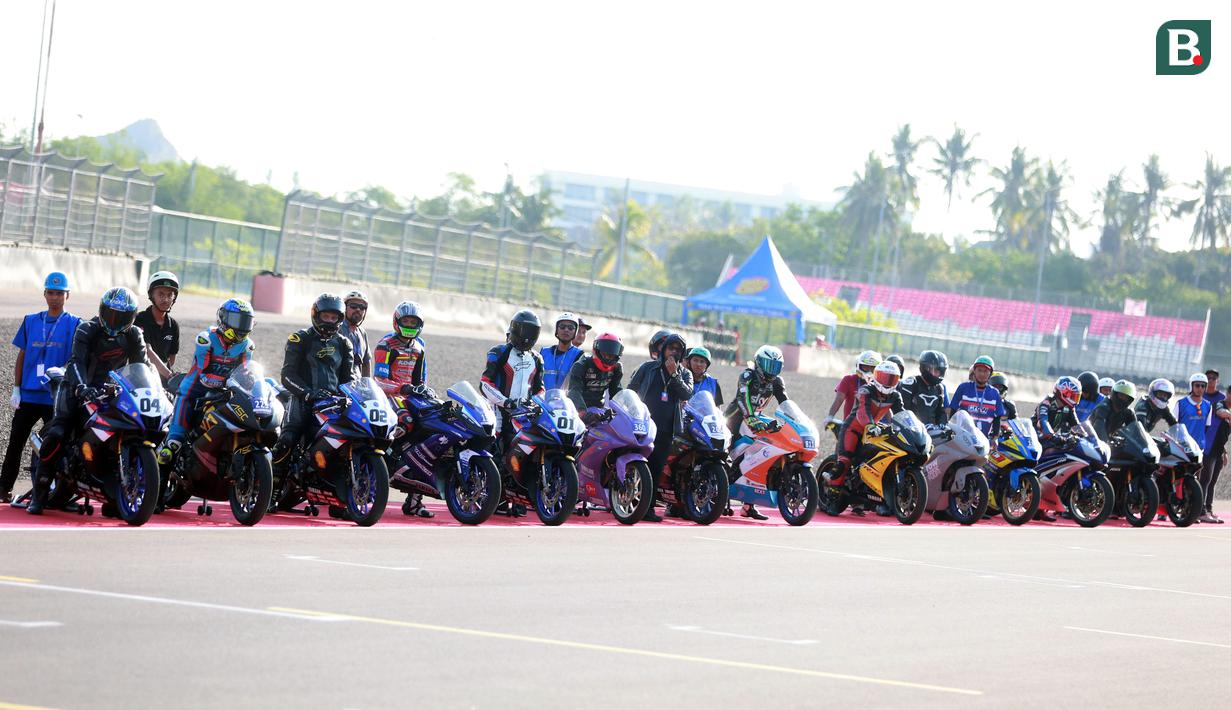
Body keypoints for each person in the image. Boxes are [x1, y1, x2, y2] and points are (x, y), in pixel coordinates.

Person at [31, 287, 150, 515]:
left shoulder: (134, 334)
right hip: (75, 385)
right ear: (102, 310)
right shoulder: (87, 329)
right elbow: (77, 361)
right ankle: (40, 494)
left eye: (122, 316)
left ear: (132, 317)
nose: (115, 321)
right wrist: (82, 388)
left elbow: (142, 367)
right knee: (58, 432)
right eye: (111, 314)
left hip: (111, 391)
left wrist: (152, 390)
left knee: (133, 426)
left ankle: (115, 497)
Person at [1, 272, 80, 504]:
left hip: (56, 397)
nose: (55, 297)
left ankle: (52, 491)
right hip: (28, 395)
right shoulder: (31, 321)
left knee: (56, 446)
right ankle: (4, 487)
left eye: (59, 293)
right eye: (51, 293)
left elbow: (76, 358)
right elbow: (21, 356)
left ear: (67, 295)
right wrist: (16, 388)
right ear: (44, 294)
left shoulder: (75, 324)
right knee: (15, 443)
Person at [158, 299, 256, 463]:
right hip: (195, 389)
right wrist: (229, 382)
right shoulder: (206, 339)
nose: (241, 327)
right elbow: (204, 374)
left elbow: (245, 371)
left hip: (226, 391)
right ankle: (167, 450)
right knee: (174, 443)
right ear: (223, 319)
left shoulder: (247, 345)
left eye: (246, 322)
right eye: (237, 320)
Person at [273, 294, 356, 470]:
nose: (330, 321)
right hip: (303, 399)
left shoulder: (344, 343)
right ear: (316, 315)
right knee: (288, 439)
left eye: (334, 317)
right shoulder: (300, 338)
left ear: (340, 319)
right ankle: (273, 478)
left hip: (333, 403)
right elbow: (287, 375)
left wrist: (351, 397)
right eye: (326, 316)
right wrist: (308, 393)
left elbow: (349, 379)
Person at [373, 301, 433, 518]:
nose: (409, 325)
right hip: (389, 396)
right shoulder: (386, 345)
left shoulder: (420, 346)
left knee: (431, 430)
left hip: (411, 397)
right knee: (405, 422)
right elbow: (379, 381)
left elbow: (420, 380)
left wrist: (424, 391)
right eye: (405, 321)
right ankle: (383, 463)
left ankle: (415, 501)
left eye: (413, 322)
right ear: (397, 322)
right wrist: (402, 388)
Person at [629, 332, 693, 522]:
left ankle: (647, 508)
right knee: (638, 464)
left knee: (656, 468)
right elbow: (631, 390)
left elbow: (686, 394)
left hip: (666, 429)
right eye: (671, 348)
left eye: (678, 350)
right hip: (642, 424)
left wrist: (674, 374)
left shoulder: (684, 373)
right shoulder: (648, 367)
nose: (674, 352)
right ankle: (625, 501)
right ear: (663, 349)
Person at [827, 361, 905, 514]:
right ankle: (832, 500)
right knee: (844, 462)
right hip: (854, 428)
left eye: (892, 378)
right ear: (876, 376)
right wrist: (870, 425)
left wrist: (910, 427)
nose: (888, 382)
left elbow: (902, 414)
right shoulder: (866, 390)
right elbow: (863, 412)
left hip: (874, 430)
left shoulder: (896, 395)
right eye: (885, 377)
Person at [725, 345, 788, 520]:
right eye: (768, 365)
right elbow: (742, 398)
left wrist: (793, 419)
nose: (772, 370)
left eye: (775, 366)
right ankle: (719, 494)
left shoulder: (777, 381)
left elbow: (785, 402)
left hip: (756, 418)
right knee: (726, 454)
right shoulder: (747, 375)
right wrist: (750, 417)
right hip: (735, 418)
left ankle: (748, 506)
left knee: (758, 457)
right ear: (759, 363)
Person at [481, 310, 546, 456]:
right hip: (498, 409)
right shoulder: (499, 352)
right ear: (514, 329)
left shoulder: (537, 358)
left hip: (525, 413)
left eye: (532, 331)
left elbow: (540, 389)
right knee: (492, 441)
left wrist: (535, 403)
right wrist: (506, 402)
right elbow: (485, 383)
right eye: (524, 330)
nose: (527, 336)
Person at [133, 271, 180, 381]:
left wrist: (165, 376)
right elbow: (147, 351)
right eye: (161, 294)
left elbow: (172, 358)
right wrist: (169, 375)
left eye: (170, 295)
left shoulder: (173, 325)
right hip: (140, 378)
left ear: (174, 297)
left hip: (163, 379)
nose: (166, 299)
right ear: (151, 295)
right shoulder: (139, 319)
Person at [566, 332, 624, 417]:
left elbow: (616, 393)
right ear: (596, 349)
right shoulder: (581, 365)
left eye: (612, 355)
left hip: (598, 410)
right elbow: (574, 391)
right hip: (576, 410)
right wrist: (583, 413)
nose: (608, 357)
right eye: (605, 354)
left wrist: (621, 411)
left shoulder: (616, 368)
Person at [948, 355, 1004, 438]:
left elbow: (997, 418)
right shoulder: (963, 388)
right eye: (979, 370)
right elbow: (953, 410)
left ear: (990, 373)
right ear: (974, 371)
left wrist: (995, 437)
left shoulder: (995, 393)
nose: (982, 374)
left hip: (984, 439)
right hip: (963, 439)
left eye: (985, 371)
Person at [825, 350, 880, 431]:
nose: (869, 371)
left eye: (872, 368)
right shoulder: (848, 379)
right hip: (850, 427)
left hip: (872, 429)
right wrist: (830, 417)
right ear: (858, 366)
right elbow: (838, 400)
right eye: (866, 367)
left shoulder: (881, 385)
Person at [1201, 382, 1231, 523]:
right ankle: (1200, 511)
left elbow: (1223, 435)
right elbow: (1220, 413)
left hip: (1219, 450)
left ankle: (1208, 509)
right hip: (1209, 448)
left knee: (1212, 482)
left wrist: (1225, 452)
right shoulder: (1220, 404)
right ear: (1228, 394)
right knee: (1205, 480)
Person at [898, 350, 949, 430]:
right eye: (935, 370)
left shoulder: (939, 388)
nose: (938, 374)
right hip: (912, 431)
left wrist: (942, 424)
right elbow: (902, 410)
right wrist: (916, 426)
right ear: (925, 368)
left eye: (940, 371)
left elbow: (941, 412)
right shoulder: (911, 383)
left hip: (932, 432)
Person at [540, 312, 583, 391]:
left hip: (565, 398)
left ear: (575, 332)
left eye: (570, 328)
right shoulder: (544, 352)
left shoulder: (579, 355)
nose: (566, 330)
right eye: (562, 326)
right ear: (556, 330)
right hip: (543, 398)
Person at [1033, 376, 1082, 445]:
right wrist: (1053, 436)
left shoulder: (1069, 408)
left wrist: (1085, 436)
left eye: (1077, 397)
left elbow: (1076, 426)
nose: (1075, 400)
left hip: (1050, 439)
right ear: (1064, 393)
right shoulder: (1047, 402)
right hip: (1034, 438)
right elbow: (1043, 421)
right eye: (1073, 396)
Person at [339, 290, 372, 378]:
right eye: (353, 306)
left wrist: (367, 384)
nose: (358, 310)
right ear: (344, 308)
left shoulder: (362, 333)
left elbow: (366, 363)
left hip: (356, 383)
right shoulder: (336, 329)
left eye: (362, 307)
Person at [1176, 373, 1210, 453]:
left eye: (1203, 386)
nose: (1200, 388)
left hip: (1199, 447)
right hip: (1183, 447)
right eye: (1197, 385)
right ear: (1191, 386)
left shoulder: (1208, 405)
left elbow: (1207, 427)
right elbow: (1173, 425)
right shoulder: (1181, 403)